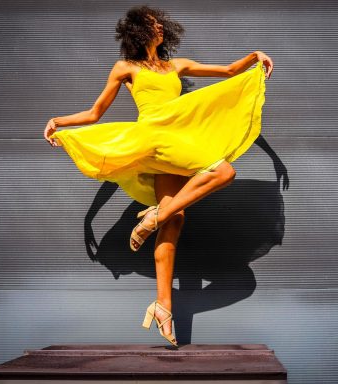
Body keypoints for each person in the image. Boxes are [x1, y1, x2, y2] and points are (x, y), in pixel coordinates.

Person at [43, 5, 273, 347]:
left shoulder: (175, 66)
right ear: (139, 31)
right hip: (151, 139)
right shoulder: (125, 68)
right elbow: (94, 113)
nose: (160, 28)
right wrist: (59, 121)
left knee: (175, 218)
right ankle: (154, 217)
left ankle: (163, 305)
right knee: (223, 170)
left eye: (161, 24)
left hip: (173, 141)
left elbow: (227, 70)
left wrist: (254, 56)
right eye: (153, 25)